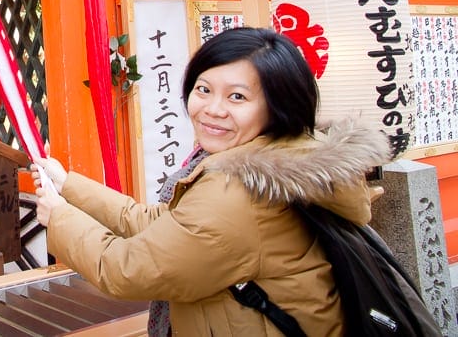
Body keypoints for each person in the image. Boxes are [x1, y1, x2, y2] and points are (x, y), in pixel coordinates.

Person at [32, 26, 391, 336]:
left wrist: (59, 217)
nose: (212, 109)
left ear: (277, 105)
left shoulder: (240, 192)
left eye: (237, 96)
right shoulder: (283, 159)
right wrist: (68, 185)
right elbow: (157, 223)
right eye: (203, 90)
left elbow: (125, 269)